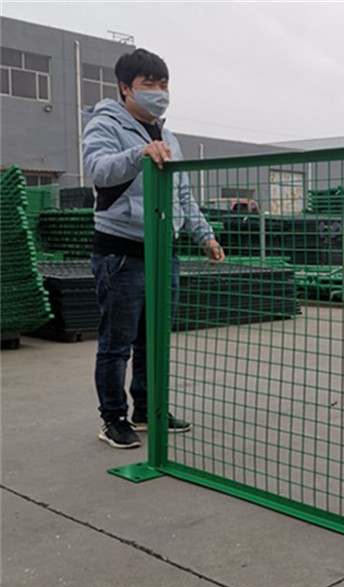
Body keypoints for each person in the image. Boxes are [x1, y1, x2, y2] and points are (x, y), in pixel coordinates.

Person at [82, 48, 225, 449]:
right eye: (149, 84)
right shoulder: (105, 124)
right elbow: (98, 170)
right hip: (121, 253)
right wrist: (138, 154)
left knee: (154, 340)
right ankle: (113, 418)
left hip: (164, 252)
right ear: (126, 88)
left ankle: (147, 410)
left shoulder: (167, 136)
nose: (159, 92)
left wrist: (205, 235)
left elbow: (183, 195)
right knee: (116, 344)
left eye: (164, 84)